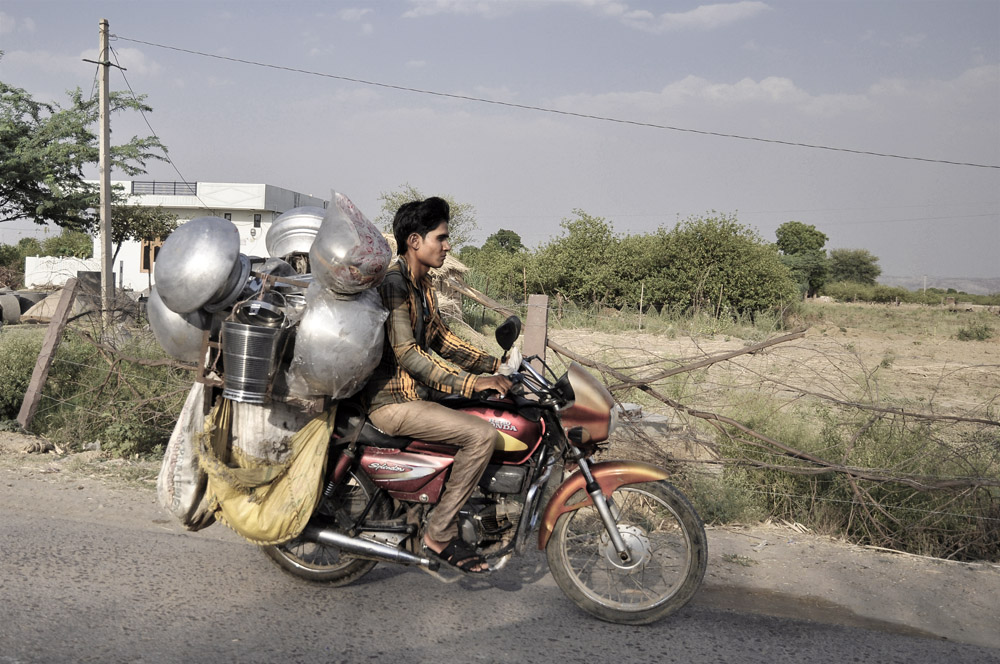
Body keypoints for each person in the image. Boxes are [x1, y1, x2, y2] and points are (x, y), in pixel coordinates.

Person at [363, 196, 512, 574]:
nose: (447, 246)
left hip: (416, 396)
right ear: (415, 241)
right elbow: (409, 353)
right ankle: (440, 534)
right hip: (391, 402)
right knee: (480, 436)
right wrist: (472, 382)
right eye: (441, 238)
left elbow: (443, 340)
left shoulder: (422, 284)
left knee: (489, 414)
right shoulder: (395, 285)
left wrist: (499, 365)